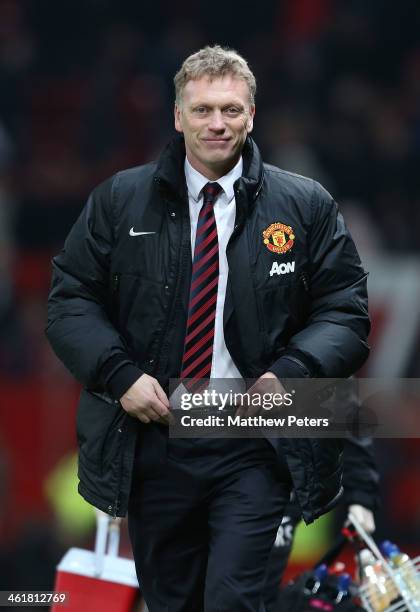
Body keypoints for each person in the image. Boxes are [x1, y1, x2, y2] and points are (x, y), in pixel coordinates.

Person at [46, 45, 370, 612]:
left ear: (251, 115)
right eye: (202, 110)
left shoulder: (304, 204)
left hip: (254, 443)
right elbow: (71, 301)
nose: (216, 123)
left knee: (232, 600)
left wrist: (291, 373)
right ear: (177, 116)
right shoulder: (120, 200)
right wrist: (120, 375)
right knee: (173, 603)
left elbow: (345, 309)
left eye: (230, 109)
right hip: (155, 441)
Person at [263, 435, 380, 612]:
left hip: (285, 482)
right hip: (229, 476)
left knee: (261, 593)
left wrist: (361, 492)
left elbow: (348, 411)